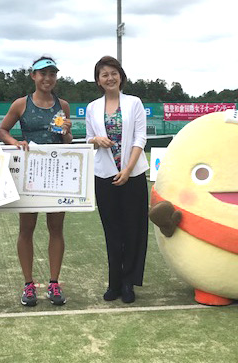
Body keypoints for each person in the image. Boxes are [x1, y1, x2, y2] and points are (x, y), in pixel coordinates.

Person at [0, 56, 73, 307]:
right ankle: (28, 284)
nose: (47, 79)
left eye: (52, 74)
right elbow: (2, 131)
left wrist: (68, 133)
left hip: (55, 174)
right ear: (33, 76)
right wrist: (15, 143)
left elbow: (67, 143)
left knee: (56, 228)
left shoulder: (63, 105)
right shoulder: (21, 104)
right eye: (42, 74)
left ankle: (54, 283)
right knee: (26, 229)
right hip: (29, 175)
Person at [85, 55, 149, 304]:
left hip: (132, 176)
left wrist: (128, 169)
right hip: (104, 176)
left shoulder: (134, 103)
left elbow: (140, 139)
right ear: (98, 81)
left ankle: (128, 282)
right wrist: (96, 140)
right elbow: (89, 137)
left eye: (113, 73)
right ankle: (114, 282)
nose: (109, 78)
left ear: (120, 76)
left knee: (133, 229)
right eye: (104, 74)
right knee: (112, 230)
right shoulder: (92, 107)